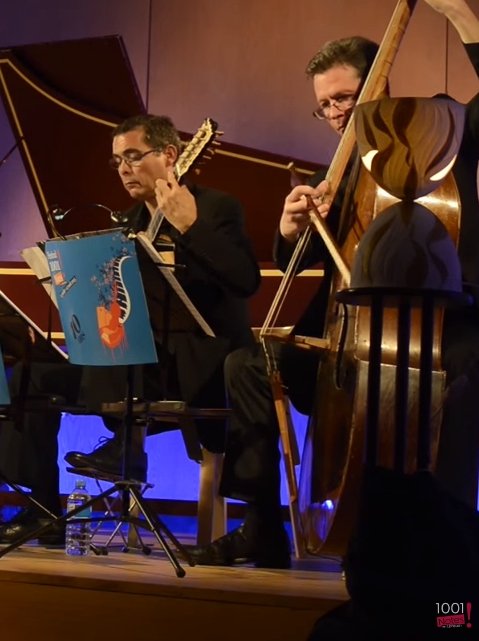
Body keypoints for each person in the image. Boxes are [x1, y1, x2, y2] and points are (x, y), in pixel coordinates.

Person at [192, 0, 479, 569]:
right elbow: (303, 262)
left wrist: (467, 22)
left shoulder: (433, 130)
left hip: (445, 321)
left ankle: (433, 549)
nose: (336, 113)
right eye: (324, 105)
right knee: (247, 365)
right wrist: (288, 225)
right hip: (353, 333)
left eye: (345, 97)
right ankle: (262, 528)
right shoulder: (335, 176)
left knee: (452, 389)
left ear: (380, 83)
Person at [0, 114, 261, 544]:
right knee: (28, 379)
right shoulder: (126, 222)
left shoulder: (216, 208)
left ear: (169, 155)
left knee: (123, 332)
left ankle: (127, 450)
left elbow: (245, 280)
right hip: (130, 362)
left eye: (133, 156)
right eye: (117, 161)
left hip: (193, 364)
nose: (125, 169)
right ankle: (42, 509)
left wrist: (189, 226)